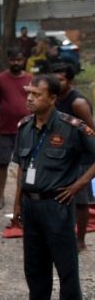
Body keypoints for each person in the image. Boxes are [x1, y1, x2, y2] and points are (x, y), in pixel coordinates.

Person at [8, 75, 95, 300]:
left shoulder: (72, 127)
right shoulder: (25, 126)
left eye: (37, 94)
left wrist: (78, 185)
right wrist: (17, 204)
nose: (30, 98)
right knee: (34, 266)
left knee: (66, 266)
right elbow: (22, 167)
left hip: (56, 205)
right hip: (31, 205)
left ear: (53, 99)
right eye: (29, 93)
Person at [51, 63, 94, 251]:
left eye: (60, 80)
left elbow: (91, 130)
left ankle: (81, 240)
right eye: (54, 79)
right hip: (63, 155)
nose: (57, 83)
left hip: (82, 157)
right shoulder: (54, 98)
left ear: (70, 81)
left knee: (80, 200)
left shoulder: (78, 103)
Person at [0, 49, 32, 210]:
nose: (16, 63)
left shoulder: (30, 79)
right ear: (8, 60)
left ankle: (24, 197)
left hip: (27, 129)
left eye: (19, 60)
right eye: (13, 60)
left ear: (23, 60)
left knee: (27, 164)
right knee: (3, 163)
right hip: (5, 129)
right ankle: (0, 196)